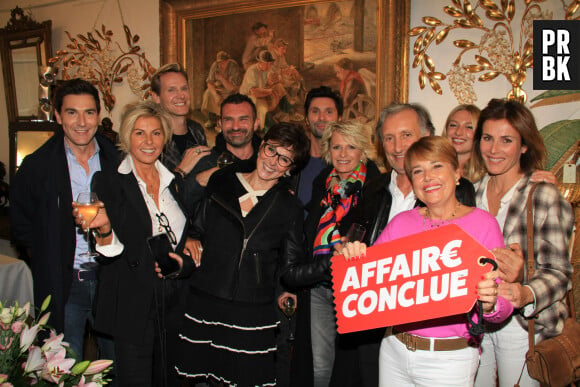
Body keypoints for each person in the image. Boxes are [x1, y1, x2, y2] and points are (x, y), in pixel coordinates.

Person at [341, 136, 514, 386]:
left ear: (457, 173)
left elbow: (505, 303)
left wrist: (490, 304)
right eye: (418, 171)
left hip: (450, 359)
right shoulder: (401, 223)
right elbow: (368, 284)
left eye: (437, 166)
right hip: (394, 350)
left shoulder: (483, 224)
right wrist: (353, 259)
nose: (427, 177)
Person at [332, 103, 476, 387]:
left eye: (406, 135)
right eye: (388, 138)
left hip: (431, 333)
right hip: (374, 327)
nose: (397, 147)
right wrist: (347, 254)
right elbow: (356, 245)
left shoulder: (458, 190)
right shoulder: (372, 188)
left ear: (427, 136)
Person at [174, 122, 311, 386]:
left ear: (290, 169)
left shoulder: (289, 207)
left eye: (284, 159)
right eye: (272, 150)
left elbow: (290, 268)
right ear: (262, 146)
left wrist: (331, 264)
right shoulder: (222, 180)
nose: (273, 161)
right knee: (198, 380)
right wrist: (191, 237)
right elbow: (197, 226)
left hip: (251, 312)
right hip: (206, 301)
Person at [78, 101, 194, 386]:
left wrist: (186, 260)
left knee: (172, 380)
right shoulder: (108, 182)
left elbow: (186, 239)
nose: (148, 141)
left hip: (174, 305)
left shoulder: (175, 183)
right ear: (126, 137)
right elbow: (108, 251)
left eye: (155, 133)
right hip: (133, 304)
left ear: (165, 138)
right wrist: (104, 229)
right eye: (139, 133)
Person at [9, 78, 119, 361]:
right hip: (66, 286)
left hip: (112, 280)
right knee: (63, 369)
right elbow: (20, 225)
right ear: (58, 116)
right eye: (72, 112)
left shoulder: (117, 160)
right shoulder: (37, 166)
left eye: (89, 112)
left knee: (119, 365)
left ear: (98, 115)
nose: (82, 122)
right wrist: (50, 255)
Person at [472, 99, 575, 387]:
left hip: (522, 327)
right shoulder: (471, 195)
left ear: (524, 146)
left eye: (507, 140)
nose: (494, 149)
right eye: (488, 138)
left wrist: (524, 290)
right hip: (477, 322)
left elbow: (560, 273)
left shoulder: (541, 195)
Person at [282, 120, 380, 387]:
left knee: (352, 364)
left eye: (351, 146)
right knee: (320, 363)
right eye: (337, 146)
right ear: (328, 150)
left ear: (363, 150)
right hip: (319, 282)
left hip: (357, 286)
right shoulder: (321, 182)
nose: (344, 153)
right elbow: (309, 231)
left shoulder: (377, 186)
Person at [177, 93, 263, 215]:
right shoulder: (203, 162)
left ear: (255, 123)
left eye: (243, 119)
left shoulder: (269, 164)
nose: (235, 127)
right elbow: (180, 211)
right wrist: (197, 183)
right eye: (229, 120)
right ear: (220, 124)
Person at [151, 63, 210, 178]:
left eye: (184, 88)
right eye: (171, 90)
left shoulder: (196, 130)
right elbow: (149, 188)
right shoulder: (151, 136)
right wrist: (181, 170)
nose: (181, 95)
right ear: (156, 97)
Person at [240, 50, 287, 131]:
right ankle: (267, 128)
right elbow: (254, 92)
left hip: (261, 92)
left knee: (279, 87)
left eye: (270, 63)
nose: (269, 66)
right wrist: (269, 92)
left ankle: (286, 113)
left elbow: (270, 81)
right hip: (249, 96)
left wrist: (275, 79)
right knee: (263, 109)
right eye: (267, 63)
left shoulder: (266, 69)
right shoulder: (252, 71)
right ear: (260, 63)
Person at [442, 104, 485, 182]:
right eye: (453, 125)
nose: (458, 132)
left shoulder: (487, 175)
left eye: (469, 127)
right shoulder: (432, 166)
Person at [201, 51, 242, 129]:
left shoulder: (233, 66)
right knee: (208, 93)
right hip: (218, 89)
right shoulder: (215, 65)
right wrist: (216, 95)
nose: (220, 65)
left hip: (230, 91)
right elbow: (209, 83)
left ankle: (223, 121)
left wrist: (221, 78)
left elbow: (231, 88)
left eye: (222, 63)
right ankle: (212, 119)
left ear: (227, 61)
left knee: (228, 100)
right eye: (219, 62)